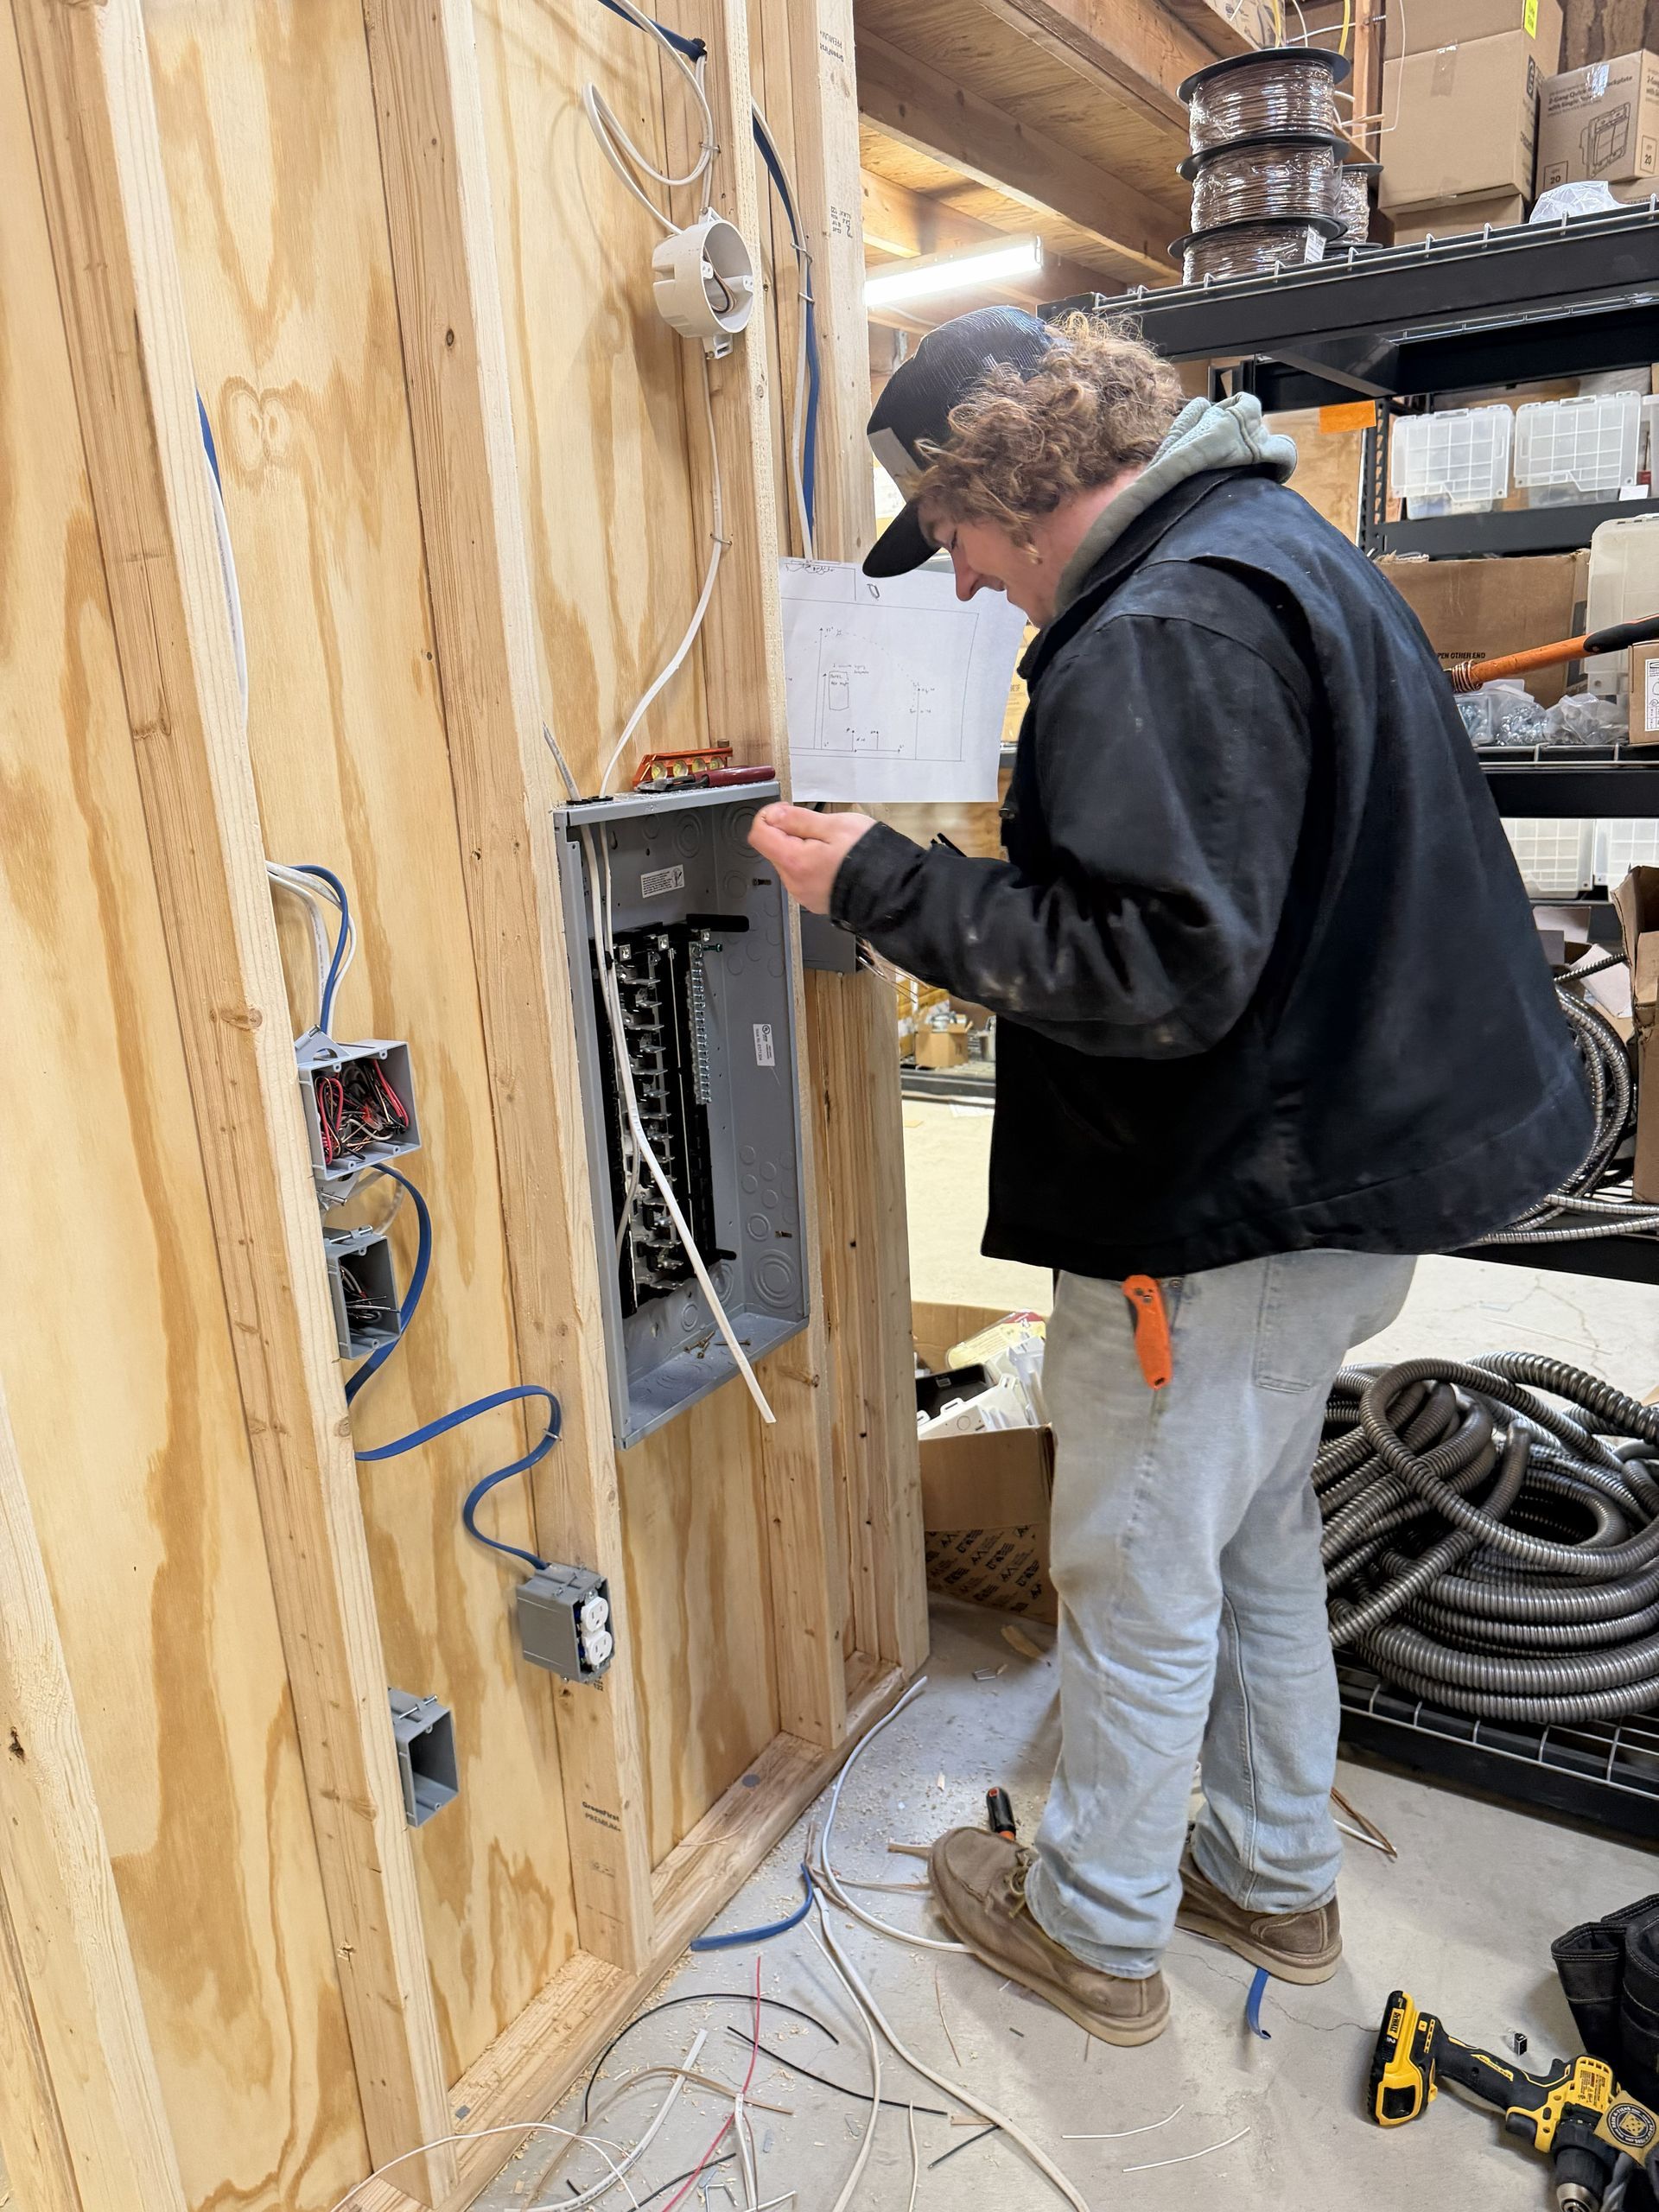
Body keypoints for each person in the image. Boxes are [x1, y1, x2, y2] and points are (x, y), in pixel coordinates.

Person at [748, 307, 1592, 2046]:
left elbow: (1157, 968)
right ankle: (1275, 1874)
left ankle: (1097, 1925)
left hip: (1225, 1212)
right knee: (1255, 1529)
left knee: (1135, 1565)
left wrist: (886, 885)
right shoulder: (1270, 545)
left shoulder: (1161, 627)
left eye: (959, 542)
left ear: (1007, 484)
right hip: (1343, 1185)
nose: (969, 586)